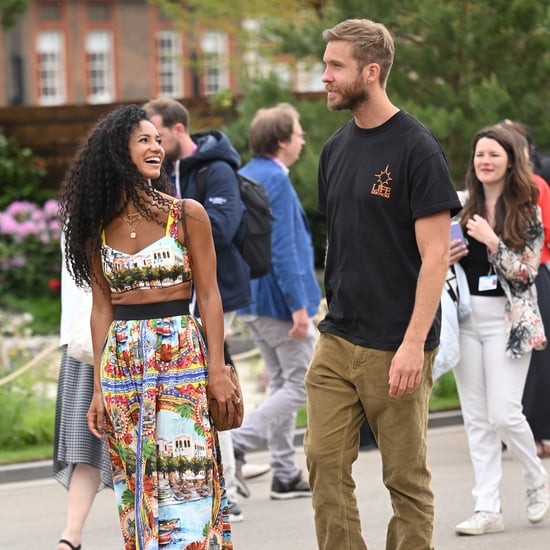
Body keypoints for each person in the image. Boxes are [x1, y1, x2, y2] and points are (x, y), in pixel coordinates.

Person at [305, 19, 461, 550]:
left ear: (371, 73)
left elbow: (435, 256)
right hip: (337, 340)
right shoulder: (333, 150)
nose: (324, 76)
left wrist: (414, 344)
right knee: (323, 465)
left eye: (335, 66)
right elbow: (343, 243)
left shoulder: (417, 148)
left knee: (405, 481)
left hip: (397, 344)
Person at [58, 104, 239, 549]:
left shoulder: (187, 214)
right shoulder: (94, 229)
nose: (157, 147)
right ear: (119, 153)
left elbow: (210, 296)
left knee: (187, 471)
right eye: (144, 140)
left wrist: (217, 370)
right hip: (122, 365)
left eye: (158, 140)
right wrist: (99, 388)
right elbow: (100, 310)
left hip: (181, 354)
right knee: (136, 479)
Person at [143, 96, 250, 521]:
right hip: (173, 303)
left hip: (214, 294)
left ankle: (228, 489)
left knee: (216, 387)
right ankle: (192, 483)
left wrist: (184, 221)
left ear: (178, 130)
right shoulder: (160, 173)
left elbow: (223, 229)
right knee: (186, 398)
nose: (152, 144)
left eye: (157, 134)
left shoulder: (216, 168)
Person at [451, 125, 549, 536]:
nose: (485, 161)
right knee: (476, 419)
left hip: (509, 324)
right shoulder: (460, 208)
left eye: (493, 154)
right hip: (467, 323)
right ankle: (486, 506)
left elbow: (527, 273)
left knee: (504, 413)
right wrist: (448, 255)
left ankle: (536, 481)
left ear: (510, 160)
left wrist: (493, 241)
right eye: (479, 155)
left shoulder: (527, 209)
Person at [232, 103, 322, 500]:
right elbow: (284, 248)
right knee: (303, 384)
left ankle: (285, 473)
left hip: (252, 299)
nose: (303, 140)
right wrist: (299, 306)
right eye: (299, 133)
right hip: (279, 303)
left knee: (283, 384)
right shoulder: (277, 181)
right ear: (283, 141)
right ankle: (236, 442)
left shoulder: (245, 175)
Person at [498, 120, 550, 458]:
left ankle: (537, 432)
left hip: (531, 276)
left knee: (536, 357)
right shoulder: (484, 187)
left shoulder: (536, 185)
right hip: (491, 282)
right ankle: (505, 427)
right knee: (500, 355)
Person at [54, 254, 112, 550]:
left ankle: (70, 536)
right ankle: (71, 535)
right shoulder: (113, 210)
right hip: (101, 337)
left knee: (86, 446)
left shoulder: (75, 210)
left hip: (80, 341)